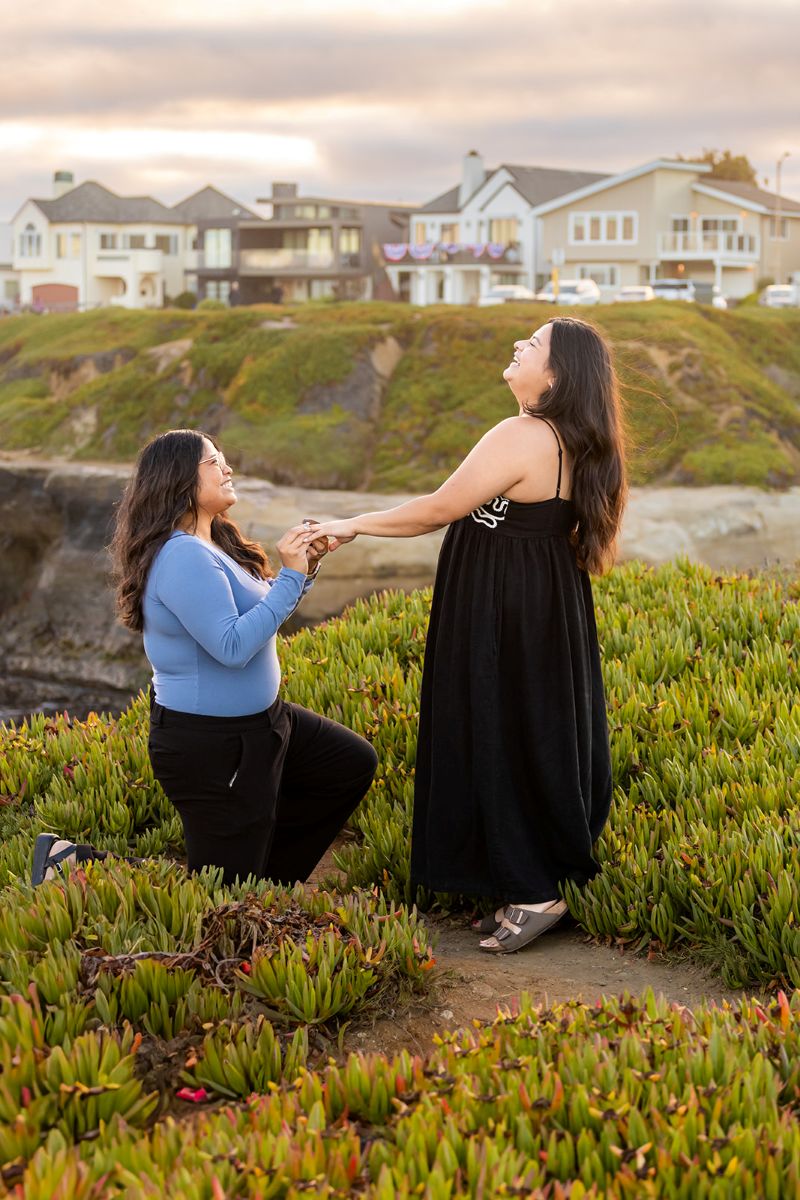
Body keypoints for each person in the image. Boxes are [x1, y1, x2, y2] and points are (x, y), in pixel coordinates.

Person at [310, 317, 626, 954]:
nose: (518, 345)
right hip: (542, 604)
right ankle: (527, 881)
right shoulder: (571, 439)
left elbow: (435, 510)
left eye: (531, 344)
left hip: (502, 607)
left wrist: (350, 524)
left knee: (494, 728)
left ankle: (536, 892)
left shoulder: (524, 432)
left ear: (557, 374)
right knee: (529, 730)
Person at [32, 429, 378, 888]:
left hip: (264, 726)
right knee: (214, 889)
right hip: (212, 745)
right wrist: (293, 576)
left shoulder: (214, 542)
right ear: (180, 479)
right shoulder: (181, 556)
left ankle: (262, 885)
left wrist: (304, 571)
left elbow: (258, 610)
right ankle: (72, 860)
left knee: (347, 764)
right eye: (214, 462)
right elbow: (232, 648)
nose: (227, 468)